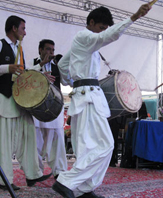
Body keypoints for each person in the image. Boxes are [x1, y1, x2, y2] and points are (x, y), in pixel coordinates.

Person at [52, 3, 152, 198]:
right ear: (91, 22)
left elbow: (63, 64)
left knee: (86, 146)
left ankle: (83, 189)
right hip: (88, 97)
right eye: (101, 27)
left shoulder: (86, 45)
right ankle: (66, 180)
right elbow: (108, 37)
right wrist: (133, 17)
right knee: (105, 145)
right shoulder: (84, 37)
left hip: (85, 96)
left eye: (105, 28)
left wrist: (73, 82)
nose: (103, 32)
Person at [0, 15, 52, 191]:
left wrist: (40, 69)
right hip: (5, 100)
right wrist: (7, 68)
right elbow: (10, 70)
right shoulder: (1, 45)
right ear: (14, 28)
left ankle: (33, 174)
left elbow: (23, 72)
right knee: (5, 143)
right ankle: (4, 180)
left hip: (18, 100)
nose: (25, 32)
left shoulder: (20, 50)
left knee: (29, 133)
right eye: (23, 28)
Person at [27, 39, 67, 179]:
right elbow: (25, 78)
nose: (51, 52)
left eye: (53, 50)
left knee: (57, 138)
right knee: (35, 141)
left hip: (54, 107)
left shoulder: (58, 66)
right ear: (40, 50)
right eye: (48, 49)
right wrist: (41, 67)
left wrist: (64, 65)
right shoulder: (32, 63)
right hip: (37, 107)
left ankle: (59, 171)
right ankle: (35, 172)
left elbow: (67, 80)